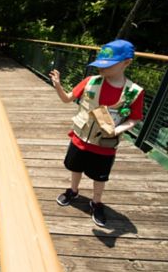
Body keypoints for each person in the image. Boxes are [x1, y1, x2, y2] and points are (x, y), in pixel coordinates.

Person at [48, 39, 144, 227]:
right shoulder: (90, 81)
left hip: (105, 146)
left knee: (100, 176)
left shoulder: (134, 92)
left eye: (108, 65)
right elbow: (67, 99)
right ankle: (73, 191)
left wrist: (117, 130)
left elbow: (135, 118)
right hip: (80, 139)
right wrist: (58, 85)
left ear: (126, 63)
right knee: (75, 167)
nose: (102, 69)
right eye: (100, 64)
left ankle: (96, 202)